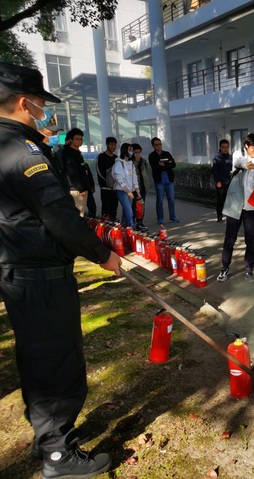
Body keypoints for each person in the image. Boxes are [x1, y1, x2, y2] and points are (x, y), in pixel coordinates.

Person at [0, 62, 121, 478]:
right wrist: (102, 254)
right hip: (41, 276)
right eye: (39, 103)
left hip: (17, 271)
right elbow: (60, 217)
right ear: (23, 103)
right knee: (57, 361)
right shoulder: (23, 153)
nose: (43, 111)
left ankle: (46, 438)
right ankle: (58, 455)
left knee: (37, 359)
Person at [216, 133, 254, 283]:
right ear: (246, 145)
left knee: (250, 241)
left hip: (251, 208)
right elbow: (243, 164)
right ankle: (224, 268)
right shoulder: (238, 155)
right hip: (235, 206)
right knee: (229, 240)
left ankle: (249, 271)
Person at [61, 127, 92, 216]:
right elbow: (71, 173)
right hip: (76, 190)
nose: (80, 141)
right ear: (70, 140)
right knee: (79, 214)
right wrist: (80, 189)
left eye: (81, 139)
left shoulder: (77, 153)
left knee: (81, 213)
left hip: (81, 189)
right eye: (77, 139)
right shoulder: (69, 154)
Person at [148, 136, 179, 224]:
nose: (159, 146)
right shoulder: (152, 156)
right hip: (159, 181)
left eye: (160, 144)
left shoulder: (167, 154)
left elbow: (173, 164)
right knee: (160, 200)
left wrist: (164, 165)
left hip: (169, 180)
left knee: (171, 200)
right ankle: (160, 218)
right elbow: (155, 167)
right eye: (156, 145)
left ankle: (172, 216)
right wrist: (167, 164)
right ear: (153, 146)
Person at [113, 142, 141, 228]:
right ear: (124, 150)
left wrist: (137, 191)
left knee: (127, 211)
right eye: (129, 150)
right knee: (129, 211)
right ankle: (132, 227)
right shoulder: (119, 163)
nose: (131, 152)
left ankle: (124, 227)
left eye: (132, 150)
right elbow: (119, 178)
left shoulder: (131, 163)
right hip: (122, 191)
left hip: (130, 191)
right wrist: (127, 191)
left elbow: (134, 178)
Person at [96, 137, 119, 221]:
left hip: (115, 188)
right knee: (105, 208)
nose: (113, 147)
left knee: (114, 208)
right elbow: (100, 171)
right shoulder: (101, 156)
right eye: (112, 145)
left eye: (115, 145)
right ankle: (104, 225)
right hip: (105, 187)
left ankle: (113, 223)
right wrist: (107, 182)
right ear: (107, 144)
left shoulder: (116, 158)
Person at [211, 138, 233, 222]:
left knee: (228, 200)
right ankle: (219, 216)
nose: (225, 149)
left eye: (227, 147)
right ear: (220, 147)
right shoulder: (217, 158)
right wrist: (217, 181)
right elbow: (214, 170)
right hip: (220, 182)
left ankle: (228, 215)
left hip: (229, 182)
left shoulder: (231, 157)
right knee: (220, 200)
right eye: (223, 147)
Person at [131, 143, 149, 231]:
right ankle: (132, 222)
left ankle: (140, 222)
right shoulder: (130, 162)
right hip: (133, 187)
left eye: (139, 152)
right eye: (135, 153)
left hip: (142, 186)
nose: (137, 154)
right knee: (133, 205)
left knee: (141, 205)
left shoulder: (144, 161)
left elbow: (147, 172)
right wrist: (136, 161)